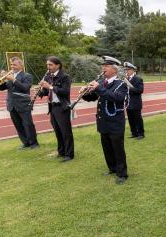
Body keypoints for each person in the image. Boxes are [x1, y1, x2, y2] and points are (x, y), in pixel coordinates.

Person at [82, 56, 129, 185]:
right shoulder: (102, 82)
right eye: (103, 66)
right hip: (103, 121)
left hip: (115, 122)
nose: (103, 68)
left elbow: (117, 98)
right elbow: (93, 97)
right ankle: (112, 168)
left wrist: (98, 88)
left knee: (117, 148)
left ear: (115, 69)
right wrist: (85, 93)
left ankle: (122, 173)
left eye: (106, 66)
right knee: (106, 147)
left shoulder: (121, 84)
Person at [0, 57, 39, 149]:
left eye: (14, 65)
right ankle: (25, 142)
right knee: (18, 125)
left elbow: (25, 88)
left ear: (21, 65)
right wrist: (1, 79)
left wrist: (13, 79)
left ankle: (34, 143)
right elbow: (1, 88)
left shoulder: (27, 76)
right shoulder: (9, 76)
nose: (12, 66)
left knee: (28, 124)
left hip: (23, 104)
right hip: (12, 105)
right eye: (11, 64)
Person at [39, 56, 74, 162]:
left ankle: (69, 154)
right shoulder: (48, 76)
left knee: (65, 132)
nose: (48, 67)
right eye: (47, 65)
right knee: (57, 131)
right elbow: (47, 92)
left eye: (50, 64)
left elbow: (65, 91)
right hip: (52, 107)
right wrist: (41, 90)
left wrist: (50, 86)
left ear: (57, 65)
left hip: (62, 107)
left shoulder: (64, 76)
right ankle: (61, 151)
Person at [124, 62, 145, 140]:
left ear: (133, 70)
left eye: (128, 70)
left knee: (138, 119)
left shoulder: (138, 78)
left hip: (136, 103)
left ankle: (141, 134)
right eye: (126, 70)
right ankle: (134, 133)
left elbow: (140, 90)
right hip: (128, 103)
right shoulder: (126, 79)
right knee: (130, 119)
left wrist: (129, 87)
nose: (127, 71)